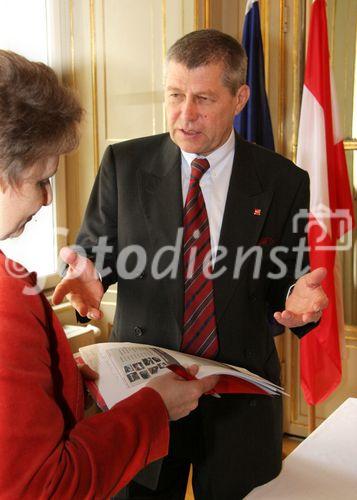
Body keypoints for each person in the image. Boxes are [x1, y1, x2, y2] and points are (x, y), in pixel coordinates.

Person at [53, 30, 328, 499]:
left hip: (240, 395)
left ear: (240, 98)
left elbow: (285, 274)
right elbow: (96, 250)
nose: (185, 115)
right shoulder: (124, 163)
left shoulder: (283, 180)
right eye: (175, 95)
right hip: (145, 391)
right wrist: (89, 272)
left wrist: (295, 299)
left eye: (203, 98)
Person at [0, 50, 218, 499]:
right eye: (43, 180)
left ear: (239, 98)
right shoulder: (8, 296)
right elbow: (48, 484)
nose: (46, 200)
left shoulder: (280, 177)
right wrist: (153, 407)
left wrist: (64, 380)